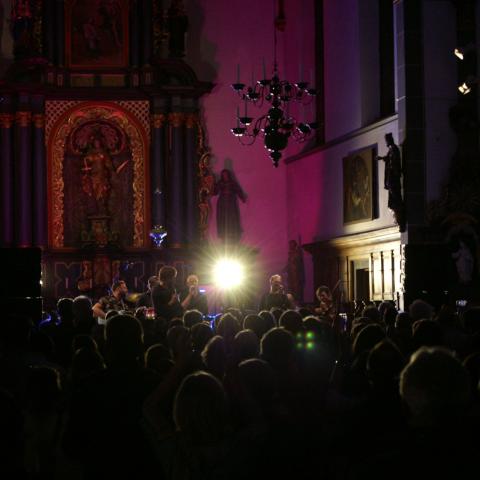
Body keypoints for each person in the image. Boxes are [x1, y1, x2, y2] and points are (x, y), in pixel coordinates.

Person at [81, 136, 129, 215]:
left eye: (98, 142)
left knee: (103, 191)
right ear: (93, 144)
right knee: (94, 191)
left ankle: (102, 207)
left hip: (102, 175)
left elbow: (108, 164)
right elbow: (86, 160)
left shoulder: (103, 153)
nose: (97, 144)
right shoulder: (91, 153)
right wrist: (86, 167)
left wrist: (113, 170)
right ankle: (95, 208)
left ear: (100, 143)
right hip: (94, 175)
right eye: (95, 143)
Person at [377, 133, 404, 230]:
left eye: (387, 140)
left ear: (390, 140)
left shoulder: (394, 149)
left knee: (396, 199)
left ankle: (401, 220)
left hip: (393, 178)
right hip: (390, 179)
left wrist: (387, 160)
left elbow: (394, 161)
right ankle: (398, 219)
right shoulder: (391, 150)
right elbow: (389, 159)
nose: (386, 143)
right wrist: (383, 158)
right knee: (393, 200)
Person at [213, 169, 246, 243]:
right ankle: (223, 235)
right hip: (222, 204)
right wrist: (212, 183)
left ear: (228, 175)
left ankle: (233, 235)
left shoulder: (232, 183)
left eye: (226, 174)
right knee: (223, 219)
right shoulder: (220, 183)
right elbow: (215, 192)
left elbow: (238, 190)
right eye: (223, 175)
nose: (225, 176)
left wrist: (243, 198)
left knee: (232, 219)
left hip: (231, 204)